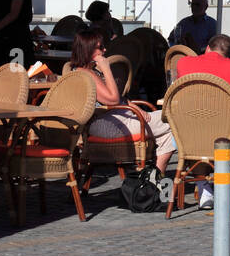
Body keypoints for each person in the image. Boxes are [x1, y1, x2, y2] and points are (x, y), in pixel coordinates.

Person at [71, 29, 178, 177]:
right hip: (107, 125)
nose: (105, 50)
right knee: (175, 117)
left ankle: (155, 179)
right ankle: (154, 180)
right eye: (100, 47)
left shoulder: (85, 71)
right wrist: (106, 68)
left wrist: (134, 107)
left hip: (114, 119)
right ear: (88, 49)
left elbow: (118, 99)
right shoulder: (86, 74)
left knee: (168, 134)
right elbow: (113, 99)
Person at [176, 34, 230, 210]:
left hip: (188, 137)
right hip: (224, 137)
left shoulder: (183, 63)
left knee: (199, 131)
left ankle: (204, 190)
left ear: (207, 48)